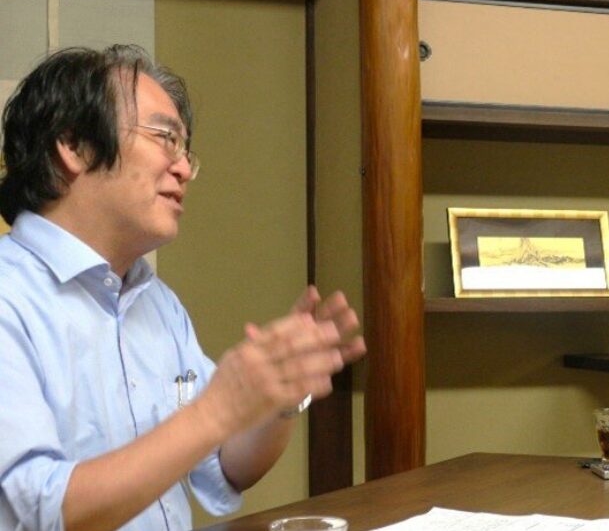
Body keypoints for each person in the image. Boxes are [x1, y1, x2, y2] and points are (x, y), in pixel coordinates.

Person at [0, 45, 366, 530]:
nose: (184, 169)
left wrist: (279, 397)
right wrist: (216, 411)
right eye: (164, 138)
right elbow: (38, 512)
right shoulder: (10, 297)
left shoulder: (156, 301)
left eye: (185, 151)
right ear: (74, 146)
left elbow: (226, 465)